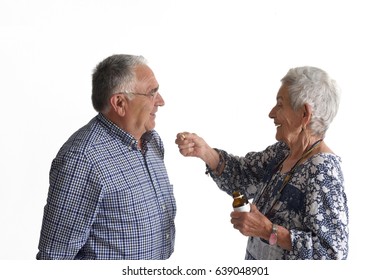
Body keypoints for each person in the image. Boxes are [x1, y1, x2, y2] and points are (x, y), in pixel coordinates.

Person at [175, 66, 348, 260]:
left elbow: (333, 255)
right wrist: (205, 152)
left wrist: (269, 231)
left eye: (280, 105)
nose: (271, 113)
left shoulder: (323, 170)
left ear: (304, 114)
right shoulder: (282, 152)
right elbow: (242, 177)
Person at [36, 54, 176, 260]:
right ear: (119, 103)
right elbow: (54, 258)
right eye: (151, 93)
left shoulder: (152, 142)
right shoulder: (82, 159)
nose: (161, 101)